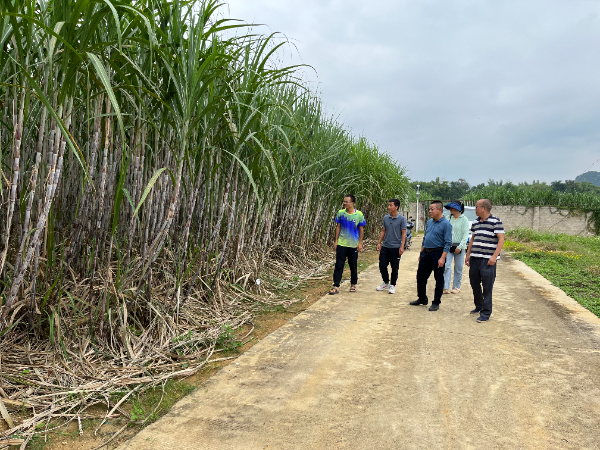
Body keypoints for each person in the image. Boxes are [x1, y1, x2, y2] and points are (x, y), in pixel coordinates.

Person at [465, 199, 505, 322]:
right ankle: (479, 306)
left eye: (476, 207)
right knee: (474, 283)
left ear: (484, 208)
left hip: (488, 260)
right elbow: (472, 239)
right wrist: (468, 255)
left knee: (487, 287)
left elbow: (501, 239)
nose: (475, 209)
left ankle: (486, 313)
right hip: (475, 258)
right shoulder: (476, 222)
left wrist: (494, 256)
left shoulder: (496, 221)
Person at [410, 201, 452, 311]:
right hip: (426, 253)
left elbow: (448, 243)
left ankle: (436, 302)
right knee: (420, 276)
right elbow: (425, 238)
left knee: (438, 279)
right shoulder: (429, 222)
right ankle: (422, 298)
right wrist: (421, 252)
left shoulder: (446, 224)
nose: (430, 211)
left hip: (438, 253)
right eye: (429, 209)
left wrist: (443, 257)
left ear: (439, 210)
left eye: (432, 209)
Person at [330, 195, 366, 294]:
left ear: (352, 203)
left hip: (353, 244)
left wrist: (360, 243)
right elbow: (338, 227)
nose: (344, 203)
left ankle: (353, 284)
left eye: (347, 202)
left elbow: (361, 229)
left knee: (353, 265)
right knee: (339, 265)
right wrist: (336, 240)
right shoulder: (341, 213)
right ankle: (336, 285)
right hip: (342, 243)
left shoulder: (359, 214)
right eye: (344, 201)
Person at [376, 199, 407, 294]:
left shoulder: (402, 219)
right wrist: (379, 242)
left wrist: (402, 246)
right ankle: (386, 282)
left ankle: (393, 285)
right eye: (388, 205)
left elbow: (403, 233)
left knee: (394, 267)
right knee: (382, 265)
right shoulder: (386, 218)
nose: (389, 207)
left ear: (396, 207)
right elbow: (383, 231)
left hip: (396, 247)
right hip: (385, 246)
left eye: (391, 205)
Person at [443, 201, 470, 294]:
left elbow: (465, 234)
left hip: (460, 246)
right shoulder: (447, 218)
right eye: (450, 208)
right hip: (448, 246)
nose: (450, 210)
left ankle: (456, 286)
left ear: (457, 209)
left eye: (452, 208)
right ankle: (446, 286)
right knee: (446, 266)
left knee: (458, 267)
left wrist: (461, 246)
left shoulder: (464, 219)